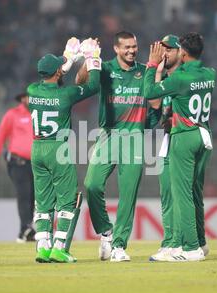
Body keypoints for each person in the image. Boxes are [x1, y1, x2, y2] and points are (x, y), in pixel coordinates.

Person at [77, 31, 158, 262]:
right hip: (108, 135)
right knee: (91, 184)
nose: (132, 51)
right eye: (127, 47)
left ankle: (119, 246)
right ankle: (106, 232)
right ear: (116, 49)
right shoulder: (105, 68)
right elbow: (80, 81)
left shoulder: (144, 71)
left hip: (134, 138)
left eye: (134, 46)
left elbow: (156, 100)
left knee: (128, 195)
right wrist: (89, 60)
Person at [144, 32, 216, 262]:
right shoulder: (209, 73)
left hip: (183, 135)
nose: (164, 53)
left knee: (181, 193)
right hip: (203, 134)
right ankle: (198, 243)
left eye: (169, 49)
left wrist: (152, 65)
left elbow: (150, 93)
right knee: (193, 192)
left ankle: (190, 247)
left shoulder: (178, 79)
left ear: (182, 53)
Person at [28, 38, 101, 263]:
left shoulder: (31, 91)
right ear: (58, 72)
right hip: (57, 148)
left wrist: (66, 61)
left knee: (43, 201)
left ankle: (43, 247)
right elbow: (93, 86)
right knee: (67, 200)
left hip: (36, 149)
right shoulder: (65, 95)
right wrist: (93, 59)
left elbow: (53, 79)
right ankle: (60, 248)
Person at [0, 92, 35, 243]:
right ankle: (26, 227)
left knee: (33, 196)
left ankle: (25, 230)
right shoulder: (13, 114)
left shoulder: (40, 114)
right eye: (28, 96)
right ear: (22, 99)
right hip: (17, 162)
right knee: (24, 194)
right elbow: (0, 136)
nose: (31, 99)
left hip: (36, 163)